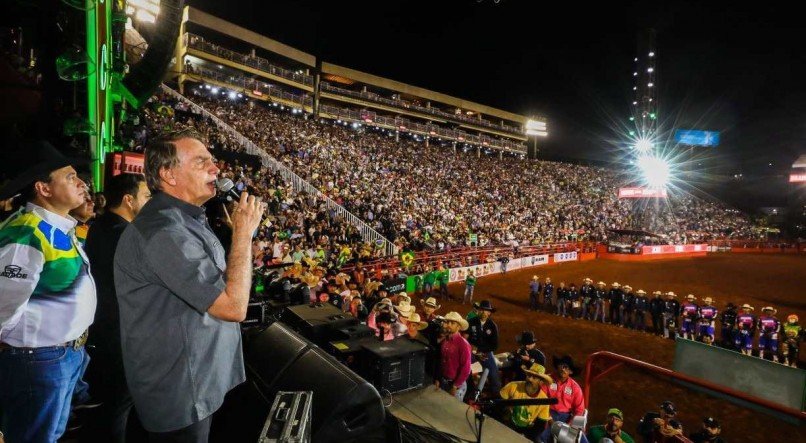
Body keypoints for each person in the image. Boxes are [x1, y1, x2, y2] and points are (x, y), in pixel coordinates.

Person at [114, 129, 264, 440]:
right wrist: (243, 235)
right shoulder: (164, 232)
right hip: (182, 390)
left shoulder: (187, 219)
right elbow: (232, 307)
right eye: (201, 162)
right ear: (168, 174)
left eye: (212, 161)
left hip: (201, 378)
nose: (215, 169)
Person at [0, 141, 96, 443]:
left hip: (61, 355)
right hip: (39, 360)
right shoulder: (26, 232)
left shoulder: (57, 227)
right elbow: (3, 308)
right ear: (43, 188)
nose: (81, 183)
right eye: (70, 177)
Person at [84, 173, 151, 442]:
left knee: (113, 409)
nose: (150, 202)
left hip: (107, 333)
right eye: (146, 196)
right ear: (128, 200)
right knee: (118, 412)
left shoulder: (100, 226)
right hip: (123, 338)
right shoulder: (125, 236)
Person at [499, 363, 553, 441]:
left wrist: (525, 436)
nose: (530, 379)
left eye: (534, 377)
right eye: (529, 375)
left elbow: (540, 426)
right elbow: (497, 406)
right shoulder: (513, 386)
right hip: (506, 423)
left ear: (541, 382)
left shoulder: (544, 400)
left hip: (526, 431)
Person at [540, 355, 586, 443]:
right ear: (558, 366)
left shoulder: (575, 388)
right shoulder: (547, 380)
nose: (563, 369)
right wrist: (550, 419)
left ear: (571, 372)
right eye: (562, 365)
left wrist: (571, 428)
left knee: (581, 439)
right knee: (541, 436)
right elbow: (541, 401)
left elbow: (580, 411)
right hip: (547, 412)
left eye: (567, 368)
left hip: (566, 418)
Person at [436, 311, 472, 401]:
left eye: (453, 323)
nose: (449, 325)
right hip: (444, 381)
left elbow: (466, 368)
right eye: (447, 322)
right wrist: (438, 379)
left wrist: (455, 386)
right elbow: (441, 361)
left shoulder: (463, 344)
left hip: (456, 386)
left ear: (458, 327)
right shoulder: (445, 341)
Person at [467, 300, 501, 395]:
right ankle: (469, 393)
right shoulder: (471, 322)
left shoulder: (493, 326)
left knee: (494, 375)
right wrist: (474, 350)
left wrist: (479, 351)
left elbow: (494, 345)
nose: (483, 312)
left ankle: (496, 396)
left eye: (486, 310)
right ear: (478, 311)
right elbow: (465, 339)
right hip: (471, 352)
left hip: (485, 353)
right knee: (465, 369)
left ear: (489, 313)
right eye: (481, 310)